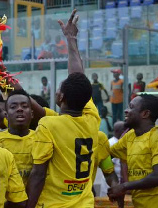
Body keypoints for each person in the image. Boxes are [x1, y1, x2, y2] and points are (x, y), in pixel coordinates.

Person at [26, 10, 101, 208]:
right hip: (84, 203)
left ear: (60, 97)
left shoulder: (49, 125)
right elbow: (77, 75)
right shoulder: (92, 118)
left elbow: (38, 174)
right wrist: (71, 38)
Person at [108, 94, 158, 207]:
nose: (126, 110)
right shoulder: (130, 137)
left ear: (145, 114)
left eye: (131, 107)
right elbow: (106, 155)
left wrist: (124, 186)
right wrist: (114, 183)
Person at [0, 89, 34, 186]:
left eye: (24, 106)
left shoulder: (42, 139)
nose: (19, 109)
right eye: (13, 107)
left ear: (32, 114)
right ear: (6, 114)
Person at [100, 121, 126, 196]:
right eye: (124, 129)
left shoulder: (121, 142)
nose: (126, 131)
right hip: (111, 182)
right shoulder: (110, 143)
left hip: (119, 182)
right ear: (117, 131)